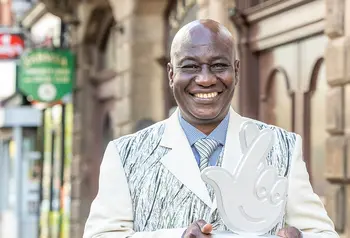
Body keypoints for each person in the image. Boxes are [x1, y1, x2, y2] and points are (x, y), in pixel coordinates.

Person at [83, 19, 339, 238]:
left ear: (236, 72)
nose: (205, 79)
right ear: (171, 75)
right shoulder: (126, 153)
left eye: (218, 66)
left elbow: (322, 232)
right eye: (191, 67)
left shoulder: (281, 145)